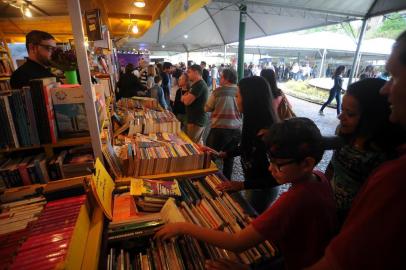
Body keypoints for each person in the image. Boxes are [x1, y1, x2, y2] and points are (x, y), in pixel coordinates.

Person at [156, 118, 338, 270]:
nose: (270, 168)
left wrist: (183, 227)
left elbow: (237, 242)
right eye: (270, 161)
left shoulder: (295, 199)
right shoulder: (319, 178)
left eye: (278, 164)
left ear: (307, 163)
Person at [306, 30, 406, 270]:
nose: (386, 89)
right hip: (331, 213)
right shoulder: (346, 135)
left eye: (394, 76)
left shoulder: (391, 162)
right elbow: (331, 161)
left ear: (372, 118)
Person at [327, 78, 404, 225]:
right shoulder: (344, 133)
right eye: (342, 109)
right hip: (329, 209)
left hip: (355, 220)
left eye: (350, 114)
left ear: (373, 117)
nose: (340, 117)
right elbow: (331, 167)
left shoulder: (388, 154)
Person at [216, 76, 279, 213]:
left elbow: (275, 178)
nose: (236, 100)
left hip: (262, 189)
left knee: (251, 216)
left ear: (251, 99)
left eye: (238, 96)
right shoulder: (252, 122)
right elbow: (246, 147)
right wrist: (225, 154)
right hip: (252, 184)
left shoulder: (268, 134)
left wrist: (242, 185)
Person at [205, 68, 242, 179]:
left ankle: (209, 180)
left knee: (210, 156)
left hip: (219, 129)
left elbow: (207, 108)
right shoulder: (241, 91)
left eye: (221, 77)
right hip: (236, 129)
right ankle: (226, 181)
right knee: (229, 157)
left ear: (226, 79)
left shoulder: (217, 92)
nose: (219, 78)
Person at [182, 64, 209, 144]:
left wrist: (184, 97)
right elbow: (186, 97)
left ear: (196, 72)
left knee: (193, 145)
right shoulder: (195, 84)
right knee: (195, 143)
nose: (188, 74)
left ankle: (202, 156)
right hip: (194, 120)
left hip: (196, 121)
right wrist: (185, 97)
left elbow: (187, 101)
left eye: (189, 72)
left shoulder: (199, 85)